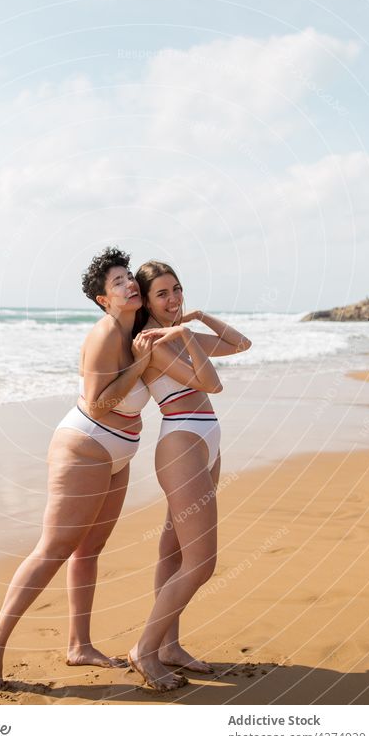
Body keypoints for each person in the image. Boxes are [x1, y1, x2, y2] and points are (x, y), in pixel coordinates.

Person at [0, 247, 156, 692]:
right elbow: (99, 402)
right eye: (117, 282)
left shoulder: (138, 328)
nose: (128, 285)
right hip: (86, 447)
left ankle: (79, 644)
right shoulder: (104, 336)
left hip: (120, 451)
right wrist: (141, 364)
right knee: (54, 548)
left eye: (129, 278)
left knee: (89, 550)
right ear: (103, 299)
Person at [128, 260, 252, 691]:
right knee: (201, 563)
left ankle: (169, 646)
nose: (174, 299)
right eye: (162, 293)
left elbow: (241, 343)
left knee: (175, 552)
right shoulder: (151, 341)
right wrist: (181, 333)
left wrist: (195, 319)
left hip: (204, 441)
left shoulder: (180, 331)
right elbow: (211, 382)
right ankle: (144, 649)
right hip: (180, 442)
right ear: (145, 300)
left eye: (177, 290)